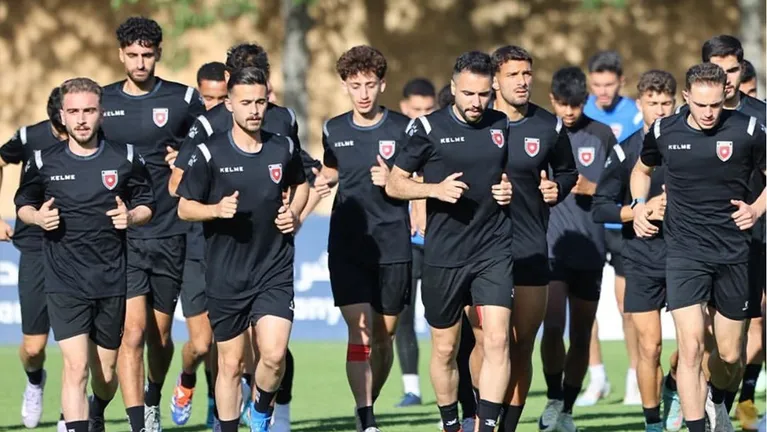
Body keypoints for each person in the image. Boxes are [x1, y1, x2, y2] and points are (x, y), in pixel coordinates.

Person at [170, 42, 318, 432]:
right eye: (246, 102)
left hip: (273, 266)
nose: (254, 110)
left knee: (273, 355)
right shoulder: (209, 152)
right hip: (226, 272)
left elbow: (302, 184)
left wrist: (294, 212)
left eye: (260, 102)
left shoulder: (283, 146)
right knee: (231, 363)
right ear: (229, 105)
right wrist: (215, 210)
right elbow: (183, 206)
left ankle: (262, 411)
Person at [15, 77, 155, 432]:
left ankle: (97, 410)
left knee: (104, 375)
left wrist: (131, 217)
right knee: (75, 367)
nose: (81, 119)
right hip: (64, 279)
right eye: (73, 111)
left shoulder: (125, 157)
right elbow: (24, 204)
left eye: (88, 111)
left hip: (110, 279)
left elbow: (147, 204)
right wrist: (37, 218)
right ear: (62, 115)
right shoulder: (42, 161)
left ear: (101, 113)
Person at [631, 62, 766, 432]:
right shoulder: (664, 130)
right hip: (684, 253)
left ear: (725, 96)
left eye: (716, 105)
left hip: (734, 253)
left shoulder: (748, 130)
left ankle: (716, 399)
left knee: (730, 355)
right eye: (701, 104)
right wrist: (639, 206)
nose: (708, 113)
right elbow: (641, 170)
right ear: (686, 97)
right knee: (690, 348)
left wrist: (756, 209)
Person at [386, 50, 514, 432]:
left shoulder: (501, 124)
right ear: (454, 88)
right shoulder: (426, 128)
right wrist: (434, 190)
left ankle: (486, 426)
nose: (476, 102)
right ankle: (451, 423)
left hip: (493, 248)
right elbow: (394, 183)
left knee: (497, 340)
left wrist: (506, 189)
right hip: (445, 253)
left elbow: (501, 174)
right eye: (469, 94)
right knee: (445, 348)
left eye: (484, 94)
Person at [99, 17, 206, 432]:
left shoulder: (183, 99)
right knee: (132, 333)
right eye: (132, 55)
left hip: (169, 232)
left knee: (160, 336)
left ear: (159, 53)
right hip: (121, 235)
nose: (140, 62)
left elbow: (210, 150)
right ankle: (139, 423)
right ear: (120, 55)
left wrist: (185, 161)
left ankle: (154, 395)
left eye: (147, 54)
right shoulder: (103, 101)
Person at [311, 45, 413, 432]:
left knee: (385, 336)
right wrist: (305, 197)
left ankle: (367, 404)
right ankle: (367, 417)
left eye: (370, 84)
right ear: (345, 86)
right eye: (356, 86)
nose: (363, 93)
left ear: (382, 84)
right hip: (348, 243)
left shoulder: (403, 129)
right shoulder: (333, 129)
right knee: (361, 331)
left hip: (393, 243)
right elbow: (331, 171)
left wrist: (394, 181)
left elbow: (420, 178)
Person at [486, 45, 578, 432]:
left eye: (527, 73)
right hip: (479, 248)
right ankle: (480, 417)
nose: (523, 81)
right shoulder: (477, 122)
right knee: (489, 343)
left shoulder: (548, 126)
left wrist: (558, 187)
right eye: (513, 74)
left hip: (529, 246)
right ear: (495, 81)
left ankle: (506, 426)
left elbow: (568, 172)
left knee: (522, 343)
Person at [592, 69, 682, 432]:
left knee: (697, 345)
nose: (659, 110)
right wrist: (638, 211)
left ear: (676, 103)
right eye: (652, 103)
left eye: (666, 103)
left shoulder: (688, 144)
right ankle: (653, 424)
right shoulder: (625, 150)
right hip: (642, 259)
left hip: (686, 257)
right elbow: (601, 207)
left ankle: (674, 382)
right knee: (650, 347)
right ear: (639, 103)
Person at [539, 66, 617, 432]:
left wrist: (592, 187)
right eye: (562, 104)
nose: (568, 112)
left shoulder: (602, 135)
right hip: (551, 246)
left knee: (582, 334)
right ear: (552, 100)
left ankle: (567, 409)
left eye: (575, 105)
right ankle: (553, 398)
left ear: (585, 101)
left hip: (590, 248)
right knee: (553, 326)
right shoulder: (540, 131)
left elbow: (619, 187)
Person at [700, 35, 766, 428]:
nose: (725, 78)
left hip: (756, 237)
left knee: (754, 326)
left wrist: (757, 210)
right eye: (717, 69)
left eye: (732, 69)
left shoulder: (761, 117)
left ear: (742, 70)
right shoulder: (688, 118)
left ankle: (739, 405)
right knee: (705, 339)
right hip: (701, 241)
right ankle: (687, 388)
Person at [0, 87, 67, 430]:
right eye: (60, 128)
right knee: (33, 347)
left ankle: (72, 413)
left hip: (82, 246)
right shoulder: (30, 137)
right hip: (35, 244)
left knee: (79, 344)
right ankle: (35, 381)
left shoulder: (99, 138)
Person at [580, 50, 644, 407]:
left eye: (609, 84)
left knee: (627, 306)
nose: (602, 91)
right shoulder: (581, 111)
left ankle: (635, 377)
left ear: (621, 82)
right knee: (585, 304)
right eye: (597, 84)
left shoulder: (636, 115)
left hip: (622, 220)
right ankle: (597, 377)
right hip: (587, 221)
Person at [168, 61, 228, 428]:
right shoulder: (190, 134)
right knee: (202, 344)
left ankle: (218, 405)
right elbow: (174, 187)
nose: (215, 106)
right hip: (194, 249)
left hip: (232, 250)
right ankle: (187, 379)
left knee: (227, 343)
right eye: (209, 99)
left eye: (222, 99)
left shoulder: (243, 135)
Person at [394, 77, 436, 408]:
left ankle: (451, 388)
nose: (422, 115)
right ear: (405, 108)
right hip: (405, 243)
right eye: (416, 109)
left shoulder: (441, 139)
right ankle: (412, 389)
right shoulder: (395, 142)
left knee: (443, 318)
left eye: (428, 109)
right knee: (403, 316)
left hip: (438, 242)